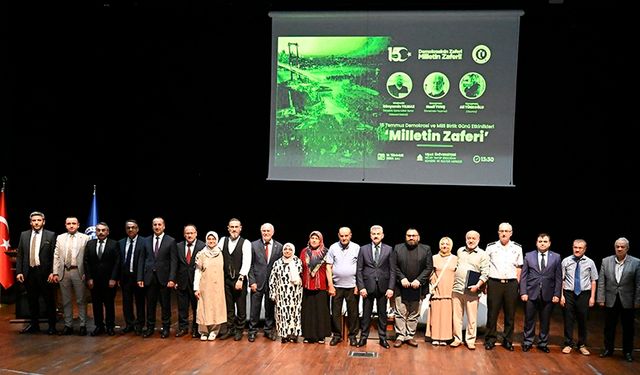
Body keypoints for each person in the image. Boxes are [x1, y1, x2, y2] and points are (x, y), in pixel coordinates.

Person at [597, 237, 640, 362]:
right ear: (615, 247)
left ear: (627, 248)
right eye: (618, 246)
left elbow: (638, 284)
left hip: (628, 300)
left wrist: (637, 301)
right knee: (609, 327)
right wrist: (601, 298)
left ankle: (627, 352)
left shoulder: (636, 262)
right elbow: (601, 281)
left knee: (628, 328)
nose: (620, 248)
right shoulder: (606, 261)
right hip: (611, 299)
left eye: (622, 247)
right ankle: (608, 349)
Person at [15, 211, 58, 335]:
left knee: (49, 300)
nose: (36, 222)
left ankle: (52, 326)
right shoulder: (24, 235)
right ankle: (34, 325)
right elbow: (20, 255)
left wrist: (52, 272)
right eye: (34, 220)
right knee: (32, 301)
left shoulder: (50, 235)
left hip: (45, 273)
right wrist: (19, 272)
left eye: (39, 220)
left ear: (43, 221)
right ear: (30, 222)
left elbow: (54, 256)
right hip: (29, 273)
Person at [519, 233, 562, 353]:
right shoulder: (528, 256)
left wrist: (557, 294)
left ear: (549, 243)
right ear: (536, 243)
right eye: (540, 241)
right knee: (529, 319)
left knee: (545, 320)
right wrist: (523, 292)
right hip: (531, 293)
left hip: (548, 294)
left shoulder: (556, 257)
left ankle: (543, 343)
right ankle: (528, 342)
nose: (542, 243)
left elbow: (558, 277)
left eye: (545, 241)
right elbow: (524, 276)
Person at [391, 228, 433, 348]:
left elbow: (429, 267)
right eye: (409, 235)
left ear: (418, 237)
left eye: (414, 235)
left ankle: (409, 336)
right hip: (401, 286)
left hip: (418, 287)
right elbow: (394, 266)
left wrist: (418, 280)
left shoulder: (426, 249)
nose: (411, 237)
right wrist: (402, 278)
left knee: (414, 313)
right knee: (400, 312)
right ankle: (400, 336)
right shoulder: (398, 248)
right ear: (405, 237)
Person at [484, 222, 523, 351]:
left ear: (511, 233)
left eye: (506, 231)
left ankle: (508, 340)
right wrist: (486, 283)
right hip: (494, 283)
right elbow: (486, 266)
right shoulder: (490, 247)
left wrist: (517, 283)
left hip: (511, 284)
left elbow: (519, 268)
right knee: (492, 314)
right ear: (498, 232)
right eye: (501, 231)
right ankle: (490, 339)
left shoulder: (517, 248)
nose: (504, 233)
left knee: (510, 314)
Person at [137, 217, 178, 339]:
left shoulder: (170, 241)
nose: (157, 227)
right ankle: (150, 328)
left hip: (164, 278)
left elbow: (173, 261)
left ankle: (165, 328)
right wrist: (140, 277)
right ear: (152, 226)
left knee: (165, 305)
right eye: (155, 224)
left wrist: (172, 278)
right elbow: (141, 260)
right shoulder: (146, 241)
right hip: (149, 278)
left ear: (164, 226)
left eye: (159, 224)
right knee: (150, 304)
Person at [356, 225, 395, 349]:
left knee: (382, 314)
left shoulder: (389, 249)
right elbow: (359, 269)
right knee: (366, 315)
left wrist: (390, 288)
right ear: (370, 235)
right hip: (367, 287)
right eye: (373, 234)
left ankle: (383, 338)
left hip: (383, 287)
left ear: (382, 235)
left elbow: (392, 270)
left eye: (378, 233)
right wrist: (361, 287)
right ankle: (363, 338)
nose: (376, 236)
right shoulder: (363, 249)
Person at [52, 216, 90, 336]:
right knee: (66, 301)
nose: (71, 225)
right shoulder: (60, 237)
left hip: (79, 272)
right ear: (65, 225)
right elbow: (56, 256)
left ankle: (83, 325)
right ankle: (68, 325)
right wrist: (55, 272)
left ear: (78, 225)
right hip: (64, 271)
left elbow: (87, 258)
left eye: (74, 223)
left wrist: (87, 273)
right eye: (69, 223)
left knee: (81, 300)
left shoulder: (85, 237)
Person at [560, 239, 598, 356]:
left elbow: (593, 280)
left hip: (583, 294)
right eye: (575, 247)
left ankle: (581, 344)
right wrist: (561, 295)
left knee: (583, 319)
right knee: (568, 319)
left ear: (585, 249)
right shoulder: (566, 261)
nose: (577, 250)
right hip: (569, 293)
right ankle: (568, 343)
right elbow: (561, 279)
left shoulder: (590, 262)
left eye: (580, 248)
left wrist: (592, 297)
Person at [217, 218, 252, 341]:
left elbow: (247, 262)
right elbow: (215, 253)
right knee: (229, 306)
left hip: (239, 280)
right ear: (228, 228)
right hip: (226, 279)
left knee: (241, 307)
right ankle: (230, 329)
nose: (234, 229)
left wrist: (241, 278)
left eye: (236, 227)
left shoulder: (245, 242)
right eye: (231, 227)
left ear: (240, 228)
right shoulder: (223, 241)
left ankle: (239, 330)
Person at [248, 223, 283, 342]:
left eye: (268, 231)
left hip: (272, 283)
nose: (266, 233)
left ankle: (268, 330)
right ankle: (252, 331)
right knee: (255, 308)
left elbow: (280, 267)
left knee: (270, 308)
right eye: (264, 231)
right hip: (257, 282)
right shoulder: (253, 245)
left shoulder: (279, 246)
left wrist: (278, 284)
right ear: (261, 231)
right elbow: (250, 265)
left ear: (272, 232)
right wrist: (252, 281)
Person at [84, 222, 120, 336]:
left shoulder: (114, 244)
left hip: (109, 280)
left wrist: (114, 278)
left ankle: (110, 326)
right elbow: (86, 262)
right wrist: (89, 278)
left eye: (103, 230)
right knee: (96, 304)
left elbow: (117, 262)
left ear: (107, 232)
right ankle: (99, 326)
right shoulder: (90, 244)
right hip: (94, 281)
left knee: (109, 304)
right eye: (98, 230)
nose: (101, 232)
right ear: (96, 232)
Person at [326, 227, 360, 347]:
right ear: (338, 235)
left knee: (353, 313)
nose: (344, 238)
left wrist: (358, 285)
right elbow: (328, 267)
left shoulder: (356, 248)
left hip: (352, 286)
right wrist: (330, 285)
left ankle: (353, 336)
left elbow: (360, 268)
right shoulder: (333, 247)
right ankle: (336, 335)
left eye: (346, 235)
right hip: (336, 286)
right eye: (341, 236)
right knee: (335, 312)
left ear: (350, 235)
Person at [301, 230, 334, 344]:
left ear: (320, 240)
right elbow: (300, 268)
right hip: (307, 286)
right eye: (312, 238)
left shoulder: (326, 252)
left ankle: (321, 335)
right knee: (308, 311)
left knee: (321, 311)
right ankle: (308, 335)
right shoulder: (304, 252)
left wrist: (330, 285)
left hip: (321, 287)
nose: (314, 240)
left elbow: (330, 269)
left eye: (317, 238)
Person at [193, 231, 227, 341]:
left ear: (217, 240)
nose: (211, 241)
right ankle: (203, 331)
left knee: (216, 307)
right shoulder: (201, 254)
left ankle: (214, 330)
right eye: (209, 239)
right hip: (205, 286)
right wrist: (196, 288)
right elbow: (198, 272)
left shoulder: (221, 253)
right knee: (203, 308)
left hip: (218, 286)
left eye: (213, 239)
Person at [269, 242, 303, 343]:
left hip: (295, 293)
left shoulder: (297, 262)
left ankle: (293, 334)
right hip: (281, 294)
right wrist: (273, 292)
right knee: (282, 314)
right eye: (285, 249)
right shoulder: (277, 263)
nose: (287, 251)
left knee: (294, 314)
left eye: (290, 249)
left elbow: (301, 276)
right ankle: (284, 335)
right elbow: (272, 279)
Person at [175, 224, 205, 338]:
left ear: (196, 233)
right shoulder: (178, 246)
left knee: (196, 306)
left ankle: (196, 329)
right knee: (182, 307)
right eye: (187, 233)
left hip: (196, 282)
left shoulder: (202, 246)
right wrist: (175, 279)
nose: (189, 235)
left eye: (191, 233)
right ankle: (183, 328)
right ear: (184, 234)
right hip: (182, 281)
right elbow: (175, 263)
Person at [427, 237, 457, 346]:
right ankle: (435, 337)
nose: (445, 246)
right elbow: (429, 273)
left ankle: (445, 338)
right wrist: (433, 283)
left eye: (447, 244)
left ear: (451, 246)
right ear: (439, 245)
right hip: (437, 291)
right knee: (436, 314)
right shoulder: (434, 258)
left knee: (446, 315)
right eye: (443, 244)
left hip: (449, 291)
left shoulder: (455, 259)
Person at [118, 219, 145, 335]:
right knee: (127, 302)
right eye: (128, 227)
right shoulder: (121, 243)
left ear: (137, 229)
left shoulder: (144, 242)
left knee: (139, 302)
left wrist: (141, 277)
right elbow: (118, 262)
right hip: (125, 277)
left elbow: (145, 261)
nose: (130, 229)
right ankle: (129, 323)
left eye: (133, 227)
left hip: (138, 277)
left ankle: (139, 324)